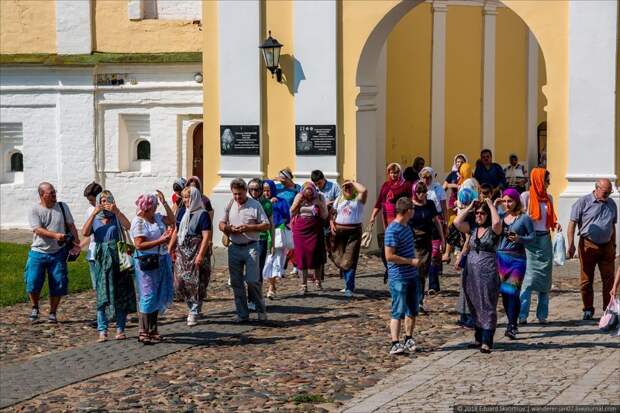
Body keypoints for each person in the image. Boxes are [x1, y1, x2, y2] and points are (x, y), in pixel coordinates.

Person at [82, 190, 136, 341]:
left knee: (120, 293)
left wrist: (117, 211)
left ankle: (120, 328)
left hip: (118, 256)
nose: (105, 203)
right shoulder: (96, 218)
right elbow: (85, 233)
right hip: (101, 258)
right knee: (102, 294)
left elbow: (129, 226)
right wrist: (94, 213)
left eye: (108, 200)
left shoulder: (116, 216)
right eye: (102, 200)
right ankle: (102, 330)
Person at [25, 182, 81, 323]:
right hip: (38, 251)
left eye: (54, 192)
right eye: (51, 193)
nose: (55, 194)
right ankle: (35, 307)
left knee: (58, 283)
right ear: (42, 195)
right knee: (32, 282)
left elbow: (71, 225)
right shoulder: (34, 210)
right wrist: (56, 235)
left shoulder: (62, 207)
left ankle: (53, 312)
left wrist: (76, 242)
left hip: (58, 252)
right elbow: (38, 229)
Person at [454, 197, 502, 353]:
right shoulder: (473, 229)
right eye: (477, 213)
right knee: (474, 303)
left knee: (487, 303)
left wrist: (490, 204)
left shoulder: (493, 230)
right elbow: (457, 223)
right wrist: (469, 207)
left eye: (482, 213)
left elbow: (496, 223)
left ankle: (487, 340)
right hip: (471, 272)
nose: (479, 216)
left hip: (487, 272)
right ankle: (478, 336)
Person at [219, 178, 270, 322]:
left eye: (240, 194)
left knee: (253, 280)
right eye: (235, 194)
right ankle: (242, 313)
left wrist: (249, 228)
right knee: (236, 282)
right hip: (234, 247)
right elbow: (221, 223)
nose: (237, 197)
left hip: (251, 246)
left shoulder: (255, 205)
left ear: (245, 192)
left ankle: (260, 309)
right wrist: (228, 229)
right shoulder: (230, 204)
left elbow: (266, 225)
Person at [567, 178, 617, 320]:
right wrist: (571, 245)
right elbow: (572, 224)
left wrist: (614, 245)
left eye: (609, 192)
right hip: (588, 244)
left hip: (607, 245)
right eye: (605, 192)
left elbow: (612, 225)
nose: (608, 195)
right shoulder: (583, 202)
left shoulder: (612, 204)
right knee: (586, 279)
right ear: (597, 188)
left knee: (609, 279)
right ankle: (588, 309)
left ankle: (608, 309)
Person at [130, 191, 175, 344]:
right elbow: (139, 245)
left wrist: (165, 203)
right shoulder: (139, 222)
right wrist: (160, 240)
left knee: (158, 293)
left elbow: (172, 220)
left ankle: (153, 329)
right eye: (154, 205)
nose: (156, 208)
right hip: (146, 261)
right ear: (147, 207)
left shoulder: (156, 218)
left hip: (161, 259)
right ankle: (143, 330)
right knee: (148, 294)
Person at [519, 168, 560, 324]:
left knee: (545, 279)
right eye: (546, 180)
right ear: (538, 180)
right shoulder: (526, 197)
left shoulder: (549, 197)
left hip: (545, 240)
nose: (548, 184)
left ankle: (542, 315)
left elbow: (550, 219)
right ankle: (522, 315)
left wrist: (557, 224)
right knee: (528, 280)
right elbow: (520, 217)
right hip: (530, 241)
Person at [169, 187, 213, 327]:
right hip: (183, 252)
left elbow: (206, 236)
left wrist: (200, 254)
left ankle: (194, 311)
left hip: (196, 250)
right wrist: (170, 248)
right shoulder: (182, 213)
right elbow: (176, 231)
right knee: (180, 282)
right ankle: (192, 306)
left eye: (188, 197)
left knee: (196, 281)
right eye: (184, 197)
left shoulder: (203, 214)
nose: (185, 200)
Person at [495, 188, 535, 339]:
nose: (507, 204)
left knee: (513, 291)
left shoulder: (524, 219)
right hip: (501, 257)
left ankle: (512, 325)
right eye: (504, 201)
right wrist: (494, 204)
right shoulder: (500, 215)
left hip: (517, 259)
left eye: (510, 201)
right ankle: (512, 321)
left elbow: (532, 237)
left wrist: (520, 239)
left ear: (517, 201)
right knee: (505, 293)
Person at [384, 197, 420, 355]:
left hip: (412, 275)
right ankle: (394, 342)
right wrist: (410, 261)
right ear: (407, 211)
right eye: (412, 208)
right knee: (397, 309)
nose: (414, 211)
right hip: (398, 276)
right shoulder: (392, 230)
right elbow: (389, 256)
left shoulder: (407, 227)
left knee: (412, 309)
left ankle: (408, 338)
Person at [369, 163, 412, 280]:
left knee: (397, 245)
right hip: (386, 217)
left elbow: (410, 202)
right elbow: (379, 202)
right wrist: (373, 216)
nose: (394, 175)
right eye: (392, 172)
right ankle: (390, 268)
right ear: (388, 173)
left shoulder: (405, 185)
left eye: (396, 172)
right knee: (385, 248)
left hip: (400, 218)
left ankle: (399, 270)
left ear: (400, 173)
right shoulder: (385, 185)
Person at [409, 181, 445, 310]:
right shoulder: (410, 206)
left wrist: (442, 238)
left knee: (423, 271)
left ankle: (419, 299)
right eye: (418, 192)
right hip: (412, 242)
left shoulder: (429, 204)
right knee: (416, 271)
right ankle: (415, 300)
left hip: (426, 241)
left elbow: (436, 221)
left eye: (423, 191)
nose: (421, 194)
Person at [330, 180, 368, 297]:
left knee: (350, 258)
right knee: (340, 257)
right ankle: (347, 284)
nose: (347, 189)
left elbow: (364, 190)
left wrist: (352, 182)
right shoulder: (339, 199)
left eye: (349, 187)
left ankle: (349, 287)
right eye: (345, 187)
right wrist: (331, 223)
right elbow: (332, 213)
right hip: (339, 231)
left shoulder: (359, 199)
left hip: (353, 232)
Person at [290, 182, 329, 293]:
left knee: (317, 255)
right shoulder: (299, 196)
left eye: (311, 195)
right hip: (301, 230)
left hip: (315, 229)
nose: (309, 197)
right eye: (307, 195)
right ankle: (303, 284)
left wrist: (319, 204)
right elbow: (291, 212)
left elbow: (325, 215)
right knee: (301, 256)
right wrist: (298, 202)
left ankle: (318, 281)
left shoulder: (320, 196)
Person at [419, 167, 447, 299]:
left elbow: (443, 205)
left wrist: (445, 222)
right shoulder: (417, 188)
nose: (426, 180)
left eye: (429, 177)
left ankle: (433, 285)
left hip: (436, 222)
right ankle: (421, 284)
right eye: (424, 177)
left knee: (435, 255)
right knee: (424, 256)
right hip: (423, 224)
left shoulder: (438, 188)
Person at [262, 179, 291, 299]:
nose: (266, 193)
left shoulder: (281, 201)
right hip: (264, 235)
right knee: (266, 262)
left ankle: (271, 287)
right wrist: (268, 202)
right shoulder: (260, 202)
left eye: (268, 190)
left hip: (277, 235)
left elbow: (287, 217)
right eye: (264, 191)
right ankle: (271, 285)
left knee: (274, 261)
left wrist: (279, 223)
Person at [248, 178, 271, 310]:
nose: (254, 192)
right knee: (250, 272)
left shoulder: (266, 204)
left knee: (258, 271)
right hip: (248, 239)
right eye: (251, 189)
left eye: (256, 189)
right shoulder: (246, 202)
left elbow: (271, 224)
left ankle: (256, 298)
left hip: (261, 239)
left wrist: (272, 242)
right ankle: (251, 298)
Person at [82, 181, 103, 327]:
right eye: (89, 200)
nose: (90, 203)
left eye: (92, 200)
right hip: (93, 252)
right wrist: (80, 246)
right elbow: (88, 233)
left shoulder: (109, 210)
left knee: (105, 284)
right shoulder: (90, 211)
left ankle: (105, 314)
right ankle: (101, 314)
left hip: (105, 251)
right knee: (97, 286)